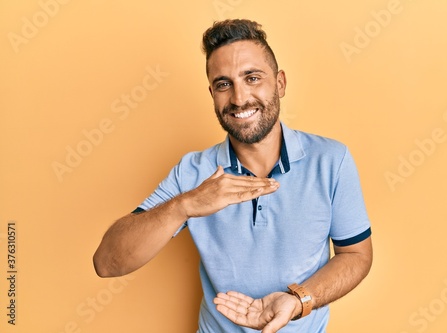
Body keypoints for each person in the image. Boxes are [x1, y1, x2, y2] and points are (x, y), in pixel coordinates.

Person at [93, 19, 373, 333]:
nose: (239, 98)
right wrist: (185, 205)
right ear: (212, 92)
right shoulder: (193, 171)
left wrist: (298, 300)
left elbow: (356, 254)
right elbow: (107, 263)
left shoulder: (332, 160)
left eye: (252, 78)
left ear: (279, 83)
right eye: (224, 84)